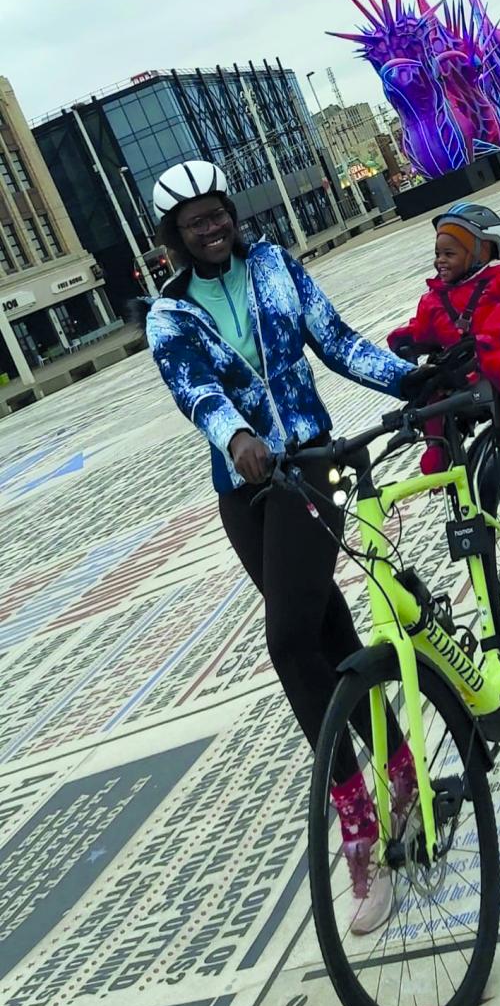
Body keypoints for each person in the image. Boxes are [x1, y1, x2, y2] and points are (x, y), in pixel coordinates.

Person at [141, 160, 423, 934]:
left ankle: (358, 822)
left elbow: (333, 340)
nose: (212, 227)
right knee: (325, 631)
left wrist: (411, 383)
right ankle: (400, 772)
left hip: (314, 463)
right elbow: (195, 390)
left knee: (287, 636)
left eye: (217, 212)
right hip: (247, 490)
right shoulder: (167, 317)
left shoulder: (273, 266)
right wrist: (234, 436)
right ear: (173, 237)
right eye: (194, 221)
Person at [387, 203, 500, 472]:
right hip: (458, 367)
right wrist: (408, 338)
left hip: (490, 359)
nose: (440, 260)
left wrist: (491, 334)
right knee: (430, 388)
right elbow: (424, 327)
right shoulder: (434, 299)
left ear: (480, 252)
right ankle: (437, 449)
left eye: (449, 254)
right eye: (438, 253)